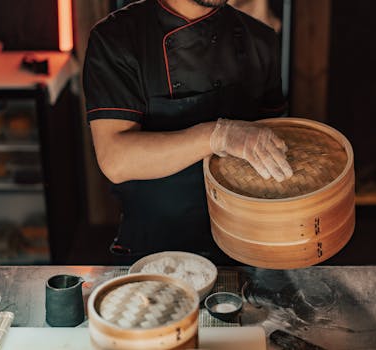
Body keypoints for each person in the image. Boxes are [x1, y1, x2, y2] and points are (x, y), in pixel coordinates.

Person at [83, 0, 293, 264]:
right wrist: (219, 136)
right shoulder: (117, 38)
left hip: (246, 246)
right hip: (154, 252)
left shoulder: (260, 39)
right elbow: (115, 159)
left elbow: (276, 145)